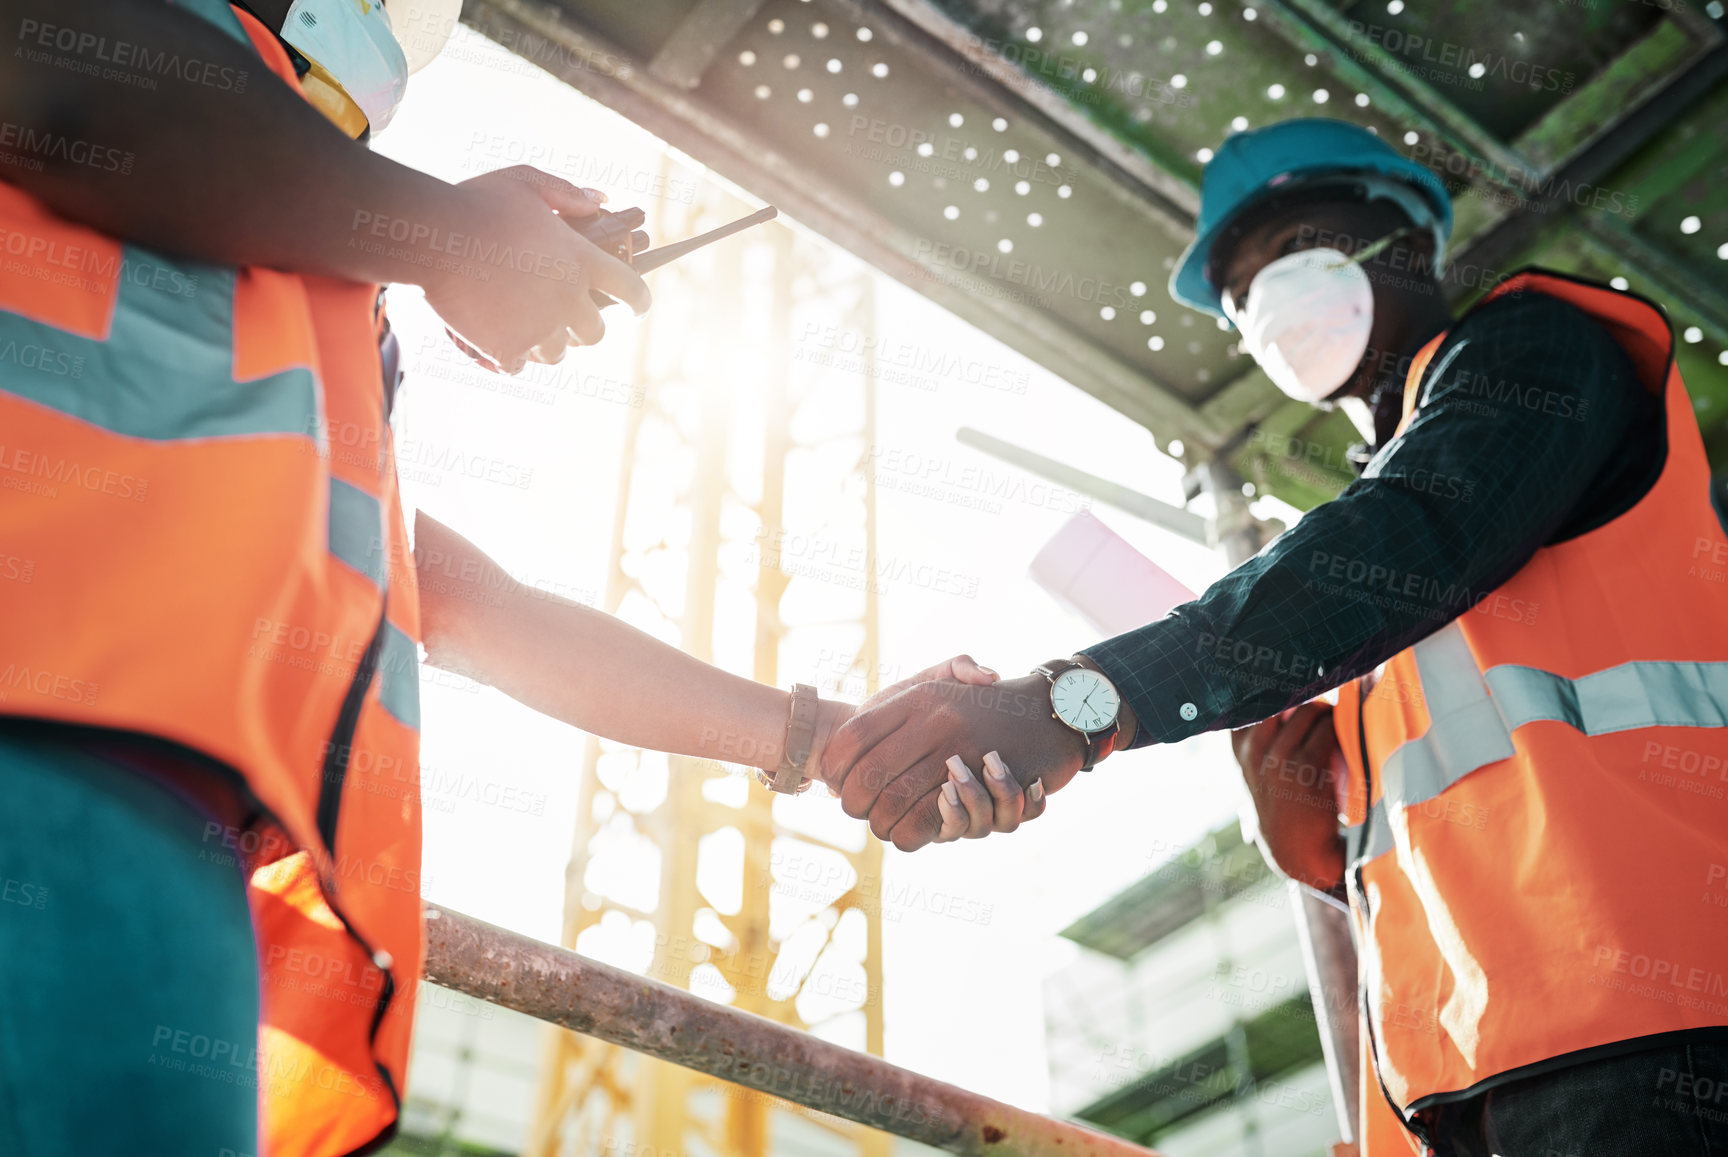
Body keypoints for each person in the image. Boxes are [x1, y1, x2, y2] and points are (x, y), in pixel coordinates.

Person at [0, 3, 1031, 1155]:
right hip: (61, 767)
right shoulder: (138, 92)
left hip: (161, 829)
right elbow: (77, 72)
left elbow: (474, 608)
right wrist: (440, 232)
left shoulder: (291, 304)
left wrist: (827, 735)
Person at [821, 117, 1728, 1155]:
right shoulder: (1368, 617)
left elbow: (1422, 531)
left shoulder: (1534, 354)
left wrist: (1079, 702)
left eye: (1294, 247)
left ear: (1404, 238)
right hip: (1478, 1079)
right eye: (1240, 293)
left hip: (1667, 1029)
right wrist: (1324, 850)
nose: (1266, 303)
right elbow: (1490, 820)